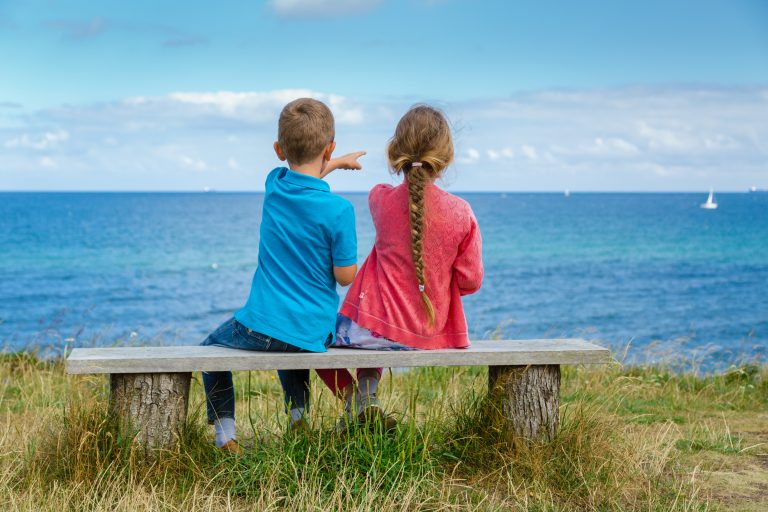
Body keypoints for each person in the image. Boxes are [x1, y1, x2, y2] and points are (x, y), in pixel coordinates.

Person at [200, 98, 365, 452]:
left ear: (278, 150)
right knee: (295, 341)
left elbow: (302, 175)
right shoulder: (340, 211)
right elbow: (345, 276)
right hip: (315, 331)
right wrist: (335, 162)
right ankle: (298, 420)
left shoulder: (273, 185)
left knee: (210, 348)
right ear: (330, 146)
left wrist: (332, 163)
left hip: (260, 327)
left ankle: (225, 435)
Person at [315, 104, 484, 432]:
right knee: (372, 324)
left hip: (373, 332)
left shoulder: (379, 199)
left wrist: (331, 165)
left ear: (396, 152)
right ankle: (365, 402)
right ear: (445, 158)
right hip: (432, 334)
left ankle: (355, 402)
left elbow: (308, 187)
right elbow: (470, 281)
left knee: (308, 338)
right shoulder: (462, 213)